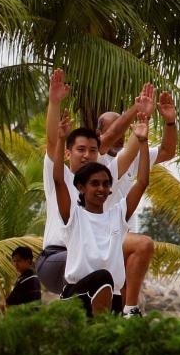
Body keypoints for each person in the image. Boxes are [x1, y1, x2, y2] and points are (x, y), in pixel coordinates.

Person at [36, 69, 151, 318]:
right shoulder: (63, 181)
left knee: (116, 275)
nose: (87, 154)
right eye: (81, 150)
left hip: (98, 272)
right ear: (68, 154)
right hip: (57, 258)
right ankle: (82, 303)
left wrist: (143, 129)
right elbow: (53, 146)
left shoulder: (107, 190)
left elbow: (139, 178)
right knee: (105, 274)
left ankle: (123, 311)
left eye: (92, 150)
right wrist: (55, 103)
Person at [53, 114, 150, 315]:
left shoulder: (117, 216)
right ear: (81, 187)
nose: (101, 188)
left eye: (106, 184)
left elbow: (142, 183)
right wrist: (61, 138)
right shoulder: (73, 216)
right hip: (77, 296)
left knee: (108, 287)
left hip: (112, 298)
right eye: (95, 183)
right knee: (103, 278)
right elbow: (59, 181)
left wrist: (142, 141)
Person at [97, 88, 179, 314]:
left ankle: (128, 313)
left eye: (126, 130)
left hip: (123, 236)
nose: (122, 134)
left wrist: (170, 122)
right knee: (143, 246)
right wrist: (135, 112)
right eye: (118, 128)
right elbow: (109, 138)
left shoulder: (132, 155)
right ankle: (131, 311)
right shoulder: (95, 159)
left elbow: (167, 151)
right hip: (98, 236)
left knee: (122, 291)